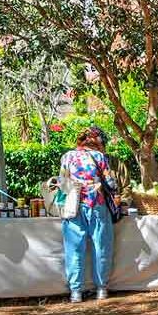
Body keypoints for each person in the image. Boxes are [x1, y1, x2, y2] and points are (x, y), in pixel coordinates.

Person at [60, 129, 117, 303]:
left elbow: (62, 183)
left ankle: (76, 292)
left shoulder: (67, 157)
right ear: (95, 143)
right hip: (96, 204)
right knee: (101, 246)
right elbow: (111, 184)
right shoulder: (100, 157)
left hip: (73, 206)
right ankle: (102, 289)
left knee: (74, 248)